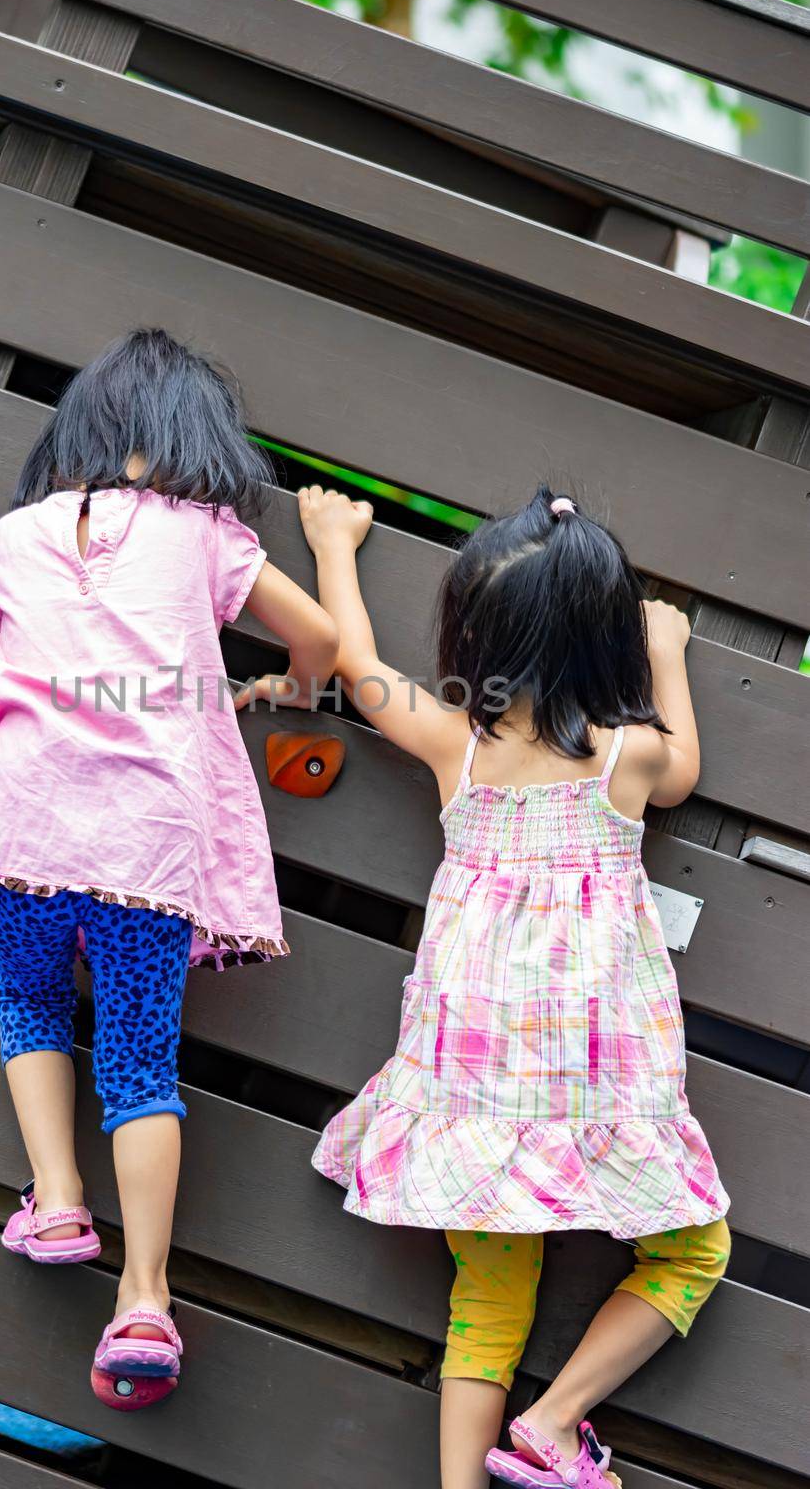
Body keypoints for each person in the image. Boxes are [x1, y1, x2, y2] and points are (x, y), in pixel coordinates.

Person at [0, 330, 337, 1401]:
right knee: (139, 1063)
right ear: (180, 440)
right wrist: (291, 693)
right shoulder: (206, 536)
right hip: (143, 850)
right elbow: (321, 639)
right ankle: (144, 1299)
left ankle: (58, 1196)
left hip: (16, 831)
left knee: (26, 1005)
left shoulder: (8, 538)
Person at [299, 483, 729, 1489]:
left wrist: (331, 543)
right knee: (688, 1253)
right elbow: (684, 774)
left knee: (486, 1303)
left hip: (475, 1098)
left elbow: (360, 672)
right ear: (600, 643)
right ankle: (550, 1421)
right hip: (598, 1094)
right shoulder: (627, 756)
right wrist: (666, 650)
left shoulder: (463, 746)